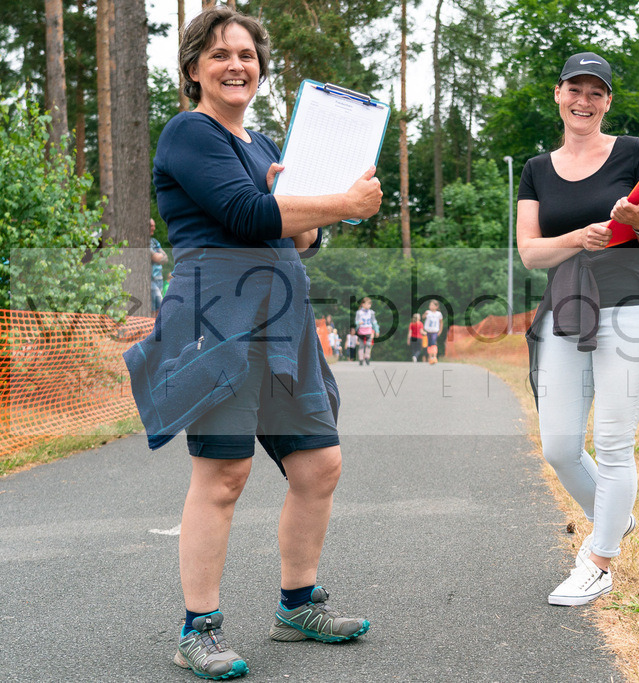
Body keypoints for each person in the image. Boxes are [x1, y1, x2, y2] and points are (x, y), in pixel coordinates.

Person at [123, 7, 382, 679]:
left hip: (283, 310)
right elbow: (245, 215)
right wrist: (341, 201)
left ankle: (297, 604)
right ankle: (197, 628)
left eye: (247, 54)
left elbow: (296, 234)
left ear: (261, 69)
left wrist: (320, 206)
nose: (237, 64)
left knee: (319, 464)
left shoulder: (267, 145)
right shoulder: (189, 132)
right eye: (219, 55)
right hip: (219, 311)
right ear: (192, 72)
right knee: (224, 473)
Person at [517, 52, 639, 607]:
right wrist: (578, 238)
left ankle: (599, 561)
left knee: (613, 442)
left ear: (608, 101)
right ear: (558, 94)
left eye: (596, 93)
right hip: (567, 305)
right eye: (575, 90)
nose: (584, 101)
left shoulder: (634, 153)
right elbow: (530, 253)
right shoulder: (537, 168)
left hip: (630, 301)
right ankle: (613, 517)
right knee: (560, 446)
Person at [150, 218, 168, 316]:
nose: (154, 228)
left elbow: (166, 258)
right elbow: (157, 258)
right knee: (159, 306)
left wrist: (160, 257)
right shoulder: (143, 242)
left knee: (158, 309)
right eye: (151, 226)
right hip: (151, 280)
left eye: (154, 225)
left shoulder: (154, 242)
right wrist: (159, 256)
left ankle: (155, 328)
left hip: (159, 280)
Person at [354, 297, 377, 366]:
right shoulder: (359, 312)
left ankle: (367, 357)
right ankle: (361, 359)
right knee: (361, 345)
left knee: (368, 344)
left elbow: (374, 322)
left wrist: (377, 330)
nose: (368, 306)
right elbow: (356, 321)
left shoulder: (371, 312)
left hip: (368, 330)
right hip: (361, 330)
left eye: (370, 304)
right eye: (367, 304)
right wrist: (358, 323)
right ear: (363, 304)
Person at [422, 299, 444, 365]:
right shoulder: (428, 312)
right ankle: (430, 357)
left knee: (433, 343)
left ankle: (434, 357)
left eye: (432, 305)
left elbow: (441, 323)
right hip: (428, 331)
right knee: (429, 344)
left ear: (436, 306)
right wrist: (424, 314)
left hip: (435, 331)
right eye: (430, 305)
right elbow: (422, 318)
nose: (431, 306)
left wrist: (440, 330)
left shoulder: (439, 314)